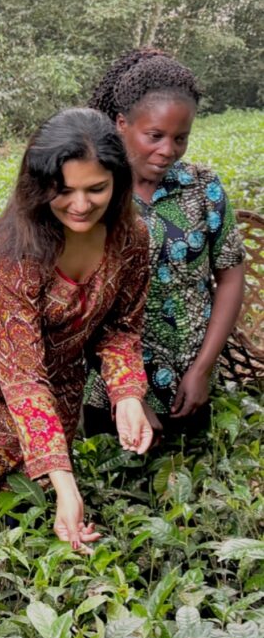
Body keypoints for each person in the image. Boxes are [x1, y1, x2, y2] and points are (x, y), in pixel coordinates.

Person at [0, 108, 155, 548]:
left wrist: (127, 396)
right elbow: (21, 373)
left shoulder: (131, 238)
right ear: (39, 186)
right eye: (63, 191)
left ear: (118, 183)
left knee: (20, 521)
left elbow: (121, 327)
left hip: (57, 384)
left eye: (96, 189)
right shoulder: (12, 248)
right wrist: (66, 483)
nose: (80, 205)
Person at [85, 48, 245, 434]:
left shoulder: (203, 189)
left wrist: (202, 370)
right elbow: (79, 304)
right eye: (154, 136)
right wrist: (128, 393)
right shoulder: (90, 194)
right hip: (109, 394)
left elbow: (230, 277)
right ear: (122, 123)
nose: (167, 150)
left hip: (190, 386)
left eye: (180, 138)